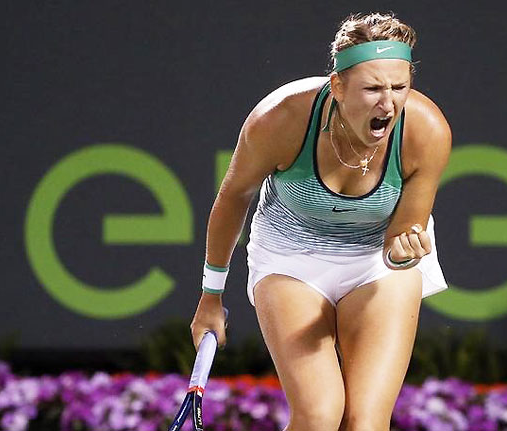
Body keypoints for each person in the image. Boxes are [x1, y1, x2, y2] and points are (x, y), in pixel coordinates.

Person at [191, 12, 451, 431]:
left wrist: (404, 253)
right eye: (372, 88)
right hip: (290, 258)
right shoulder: (279, 118)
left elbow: (402, 236)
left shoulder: (427, 131)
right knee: (318, 415)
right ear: (337, 86)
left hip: (374, 263)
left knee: (365, 423)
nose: (388, 104)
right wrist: (210, 296)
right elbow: (233, 197)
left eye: (399, 87)